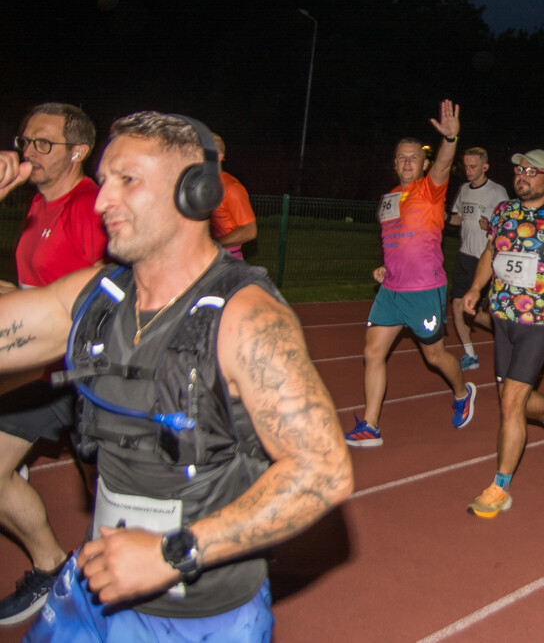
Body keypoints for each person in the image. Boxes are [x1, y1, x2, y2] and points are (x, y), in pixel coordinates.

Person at [0, 111, 352, 639]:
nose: (101, 202)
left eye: (128, 181)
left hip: (203, 619)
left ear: (195, 192)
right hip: (96, 587)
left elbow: (323, 470)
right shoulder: (95, 297)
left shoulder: (246, 317)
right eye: (103, 182)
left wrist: (174, 552)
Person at [0, 104, 108, 627]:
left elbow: (109, 292)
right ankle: (48, 567)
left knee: (108, 498)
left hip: (91, 373)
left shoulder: (92, 206)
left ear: (77, 152)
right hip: (41, 372)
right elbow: (37, 292)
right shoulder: (36, 205)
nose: (28, 152)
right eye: (25, 141)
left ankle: (114, 596)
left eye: (43, 143)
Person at [461, 150, 544, 517]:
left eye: (531, 172)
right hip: (501, 317)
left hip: (539, 322)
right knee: (513, 396)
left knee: (510, 405)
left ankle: (499, 489)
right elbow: (491, 253)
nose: (522, 176)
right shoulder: (505, 212)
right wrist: (475, 289)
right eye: (519, 170)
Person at [344, 100, 477, 447]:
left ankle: (463, 392)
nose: (406, 162)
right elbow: (393, 241)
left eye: (413, 157)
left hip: (424, 289)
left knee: (434, 356)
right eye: (401, 157)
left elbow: (446, 162)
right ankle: (371, 426)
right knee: (372, 353)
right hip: (391, 289)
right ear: (394, 163)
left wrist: (451, 138)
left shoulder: (430, 189)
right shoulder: (388, 198)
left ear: (424, 163)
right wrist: (384, 266)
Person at [447, 147, 508, 371]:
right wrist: (443, 216)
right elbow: (458, 219)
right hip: (465, 256)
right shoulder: (463, 189)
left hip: (487, 259)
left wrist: (491, 226)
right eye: (466, 166)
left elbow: (509, 226)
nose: (469, 170)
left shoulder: (497, 192)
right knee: (457, 304)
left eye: (473, 166)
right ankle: (470, 354)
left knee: (482, 313)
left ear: (485, 167)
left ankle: (507, 333)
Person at [208, 134, 257, 260]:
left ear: (220, 156)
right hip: (203, 261)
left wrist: (211, 244)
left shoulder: (231, 188)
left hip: (226, 262)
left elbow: (249, 231)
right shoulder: (197, 187)